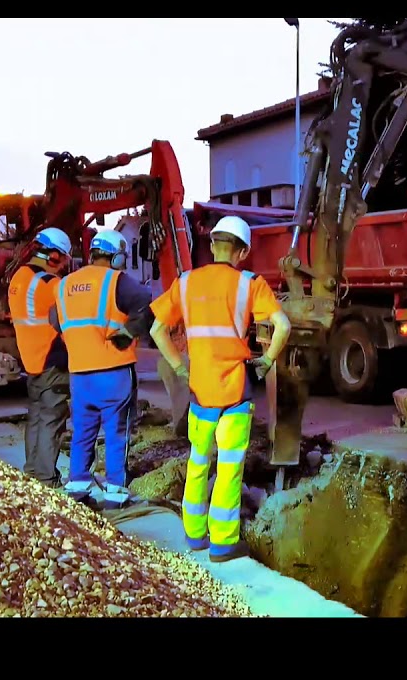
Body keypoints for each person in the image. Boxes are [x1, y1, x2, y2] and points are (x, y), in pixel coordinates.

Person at [148, 215, 291, 562]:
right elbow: (282, 325)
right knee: (229, 464)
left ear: (212, 246)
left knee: (198, 459)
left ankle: (194, 533)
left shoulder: (184, 282)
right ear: (242, 252)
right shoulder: (249, 283)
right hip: (235, 391)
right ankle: (223, 541)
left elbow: (156, 330)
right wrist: (268, 360)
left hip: (200, 391)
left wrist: (181, 367)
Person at [49, 228, 154, 508]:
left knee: (83, 431)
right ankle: (115, 494)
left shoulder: (64, 285)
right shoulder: (116, 281)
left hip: (80, 375)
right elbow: (146, 303)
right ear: (117, 258)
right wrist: (129, 331)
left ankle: (78, 487)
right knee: (117, 433)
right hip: (114, 370)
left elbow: (55, 321)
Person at [8, 227, 72, 489]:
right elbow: (69, 319)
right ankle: (46, 479)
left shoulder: (18, 278)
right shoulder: (50, 284)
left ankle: (33, 472)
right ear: (54, 256)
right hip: (51, 360)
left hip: (31, 360)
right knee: (51, 420)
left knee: (36, 418)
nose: (64, 266)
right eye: (64, 259)